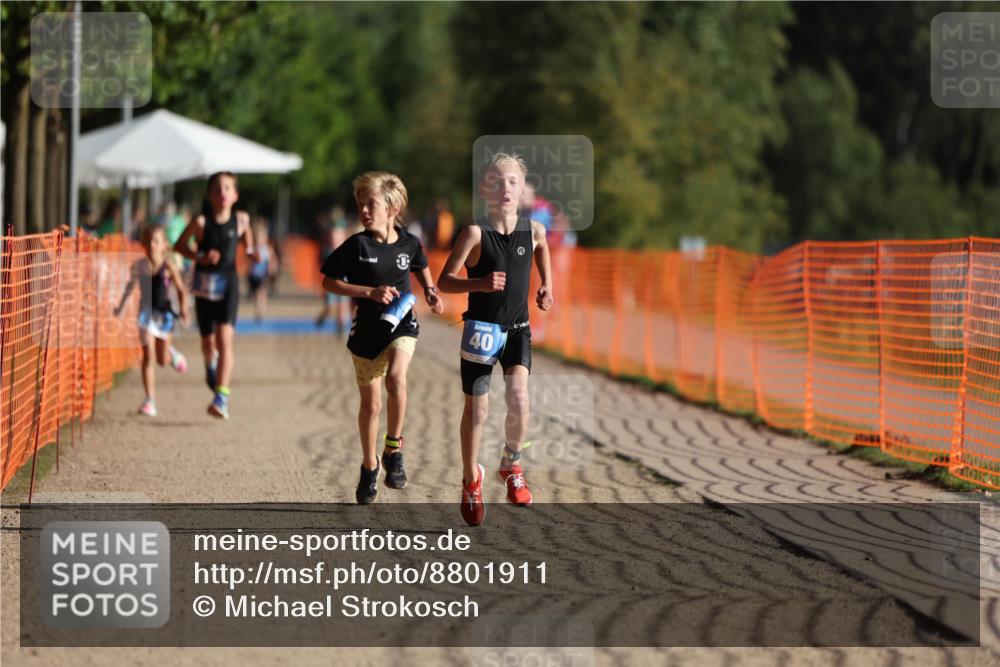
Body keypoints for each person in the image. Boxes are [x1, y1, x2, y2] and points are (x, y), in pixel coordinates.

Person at [437, 153, 554, 526]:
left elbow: (543, 247)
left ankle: (512, 464)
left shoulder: (533, 229)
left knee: (520, 398)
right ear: (485, 190)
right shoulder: (474, 233)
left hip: (518, 329)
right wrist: (478, 284)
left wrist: (547, 285)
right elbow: (444, 281)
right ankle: (471, 480)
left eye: (512, 182)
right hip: (481, 331)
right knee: (479, 411)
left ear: (522, 190)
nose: (505, 188)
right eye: (497, 182)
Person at [320, 172, 443, 504]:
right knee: (371, 405)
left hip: (402, 325)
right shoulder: (356, 245)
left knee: (397, 377)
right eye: (360, 204)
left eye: (370, 203)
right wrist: (368, 292)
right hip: (366, 332)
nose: (363, 210)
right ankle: (369, 465)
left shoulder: (410, 243)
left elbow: (420, 266)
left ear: (393, 207)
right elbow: (329, 282)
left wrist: (431, 292)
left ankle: (394, 449)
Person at [173, 172, 257, 420]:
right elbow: (179, 245)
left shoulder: (241, 219)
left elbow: (248, 239)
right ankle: (210, 364)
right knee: (208, 344)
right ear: (210, 195)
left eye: (228, 188)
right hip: (204, 285)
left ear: (235, 195)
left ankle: (221, 396)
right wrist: (199, 257)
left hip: (229, 284)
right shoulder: (200, 222)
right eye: (218, 189)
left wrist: (251, 251)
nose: (223, 193)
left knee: (224, 340)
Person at [114, 225, 190, 416]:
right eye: (148, 240)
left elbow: (181, 290)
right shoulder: (139, 265)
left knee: (162, 360)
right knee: (148, 357)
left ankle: (171, 355)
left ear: (164, 245)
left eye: (156, 241)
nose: (151, 245)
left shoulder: (168, 266)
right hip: (145, 315)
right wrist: (120, 307)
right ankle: (150, 401)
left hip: (164, 316)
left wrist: (184, 310)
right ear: (143, 243)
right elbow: (129, 287)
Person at [247, 217, 278, 323]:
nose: (260, 239)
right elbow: (249, 260)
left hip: (262, 275)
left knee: (262, 293)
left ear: (265, 238)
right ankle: (258, 308)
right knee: (256, 294)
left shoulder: (268, 249)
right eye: (258, 237)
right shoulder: (254, 248)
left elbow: (272, 260)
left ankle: (261, 311)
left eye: (262, 237)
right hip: (253, 276)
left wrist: (272, 268)